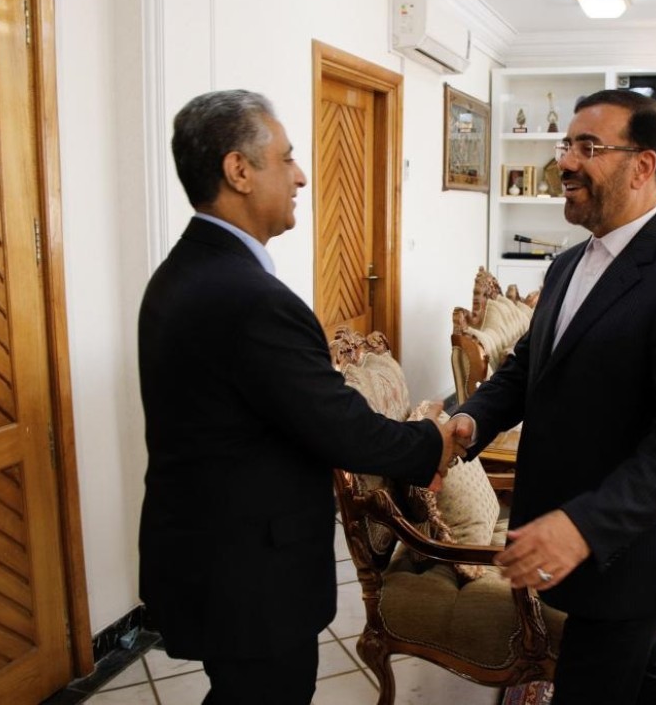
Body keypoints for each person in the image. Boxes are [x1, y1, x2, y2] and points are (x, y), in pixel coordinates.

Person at [137, 90, 462, 705]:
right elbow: (339, 425)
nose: (302, 176)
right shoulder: (248, 297)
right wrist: (431, 443)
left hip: (210, 553)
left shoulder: (186, 271)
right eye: (287, 158)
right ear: (239, 170)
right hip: (249, 573)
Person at [452, 90, 656, 705]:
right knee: (645, 681)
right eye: (567, 145)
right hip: (585, 535)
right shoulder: (567, 265)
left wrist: (583, 526)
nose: (566, 161)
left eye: (589, 147)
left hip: (633, 548)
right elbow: (528, 367)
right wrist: (470, 421)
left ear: (643, 166)